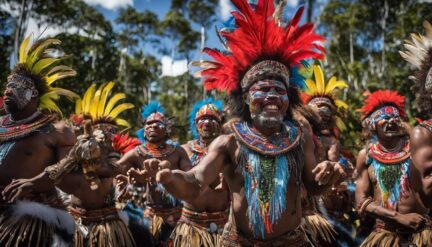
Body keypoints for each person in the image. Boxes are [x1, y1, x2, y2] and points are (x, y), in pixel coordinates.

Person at [129, 1, 346, 246]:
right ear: (245, 98)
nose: (272, 96)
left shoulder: (300, 135)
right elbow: (194, 183)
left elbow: (312, 186)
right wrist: (168, 178)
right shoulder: (228, 142)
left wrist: (327, 177)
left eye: (279, 90)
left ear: (289, 97)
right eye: (262, 89)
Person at [3, 82, 138, 246]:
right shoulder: (74, 151)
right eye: (98, 129)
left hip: (107, 226)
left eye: (109, 131)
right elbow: (63, 174)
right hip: (74, 219)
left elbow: (115, 169)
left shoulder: (114, 160)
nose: (103, 134)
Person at [0, 35, 78, 246]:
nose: (8, 89)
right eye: (8, 84)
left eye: (16, 85)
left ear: (33, 93)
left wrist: (35, 182)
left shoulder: (57, 131)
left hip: (31, 222)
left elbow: (69, 170)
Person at [355, 89, 430, 247]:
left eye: (395, 117)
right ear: (372, 124)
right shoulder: (366, 156)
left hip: (424, 232)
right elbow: (361, 202)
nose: (391, 121)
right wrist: (398, 217)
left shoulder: (417, 147)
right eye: (384, 117)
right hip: (385, 236)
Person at [120, 101, 191, 246]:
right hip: (147, 217)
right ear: (144, 130)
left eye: (157, 123)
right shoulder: (136, 154)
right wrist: (125, 186)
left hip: (176, 218)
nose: (152, 126)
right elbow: (114, 169)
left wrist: (170, 175)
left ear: (166, 130)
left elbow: (191, 175)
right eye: (148, 123)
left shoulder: (177, 152)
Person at [301, 65, 355, 246]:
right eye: (319, 106)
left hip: (326, 202)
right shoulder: (295, 134)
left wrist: (342, 167)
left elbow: (338, 168)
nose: (323, 110)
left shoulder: (333, 142)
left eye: (327, 107)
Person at [170, 98, 229, 247]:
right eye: (203, 119)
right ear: (196, 124)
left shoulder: (229, 150)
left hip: (224, 226)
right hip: (191, 227)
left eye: (212, 119)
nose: (207, 123)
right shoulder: (182, 150)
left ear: (220, 124)